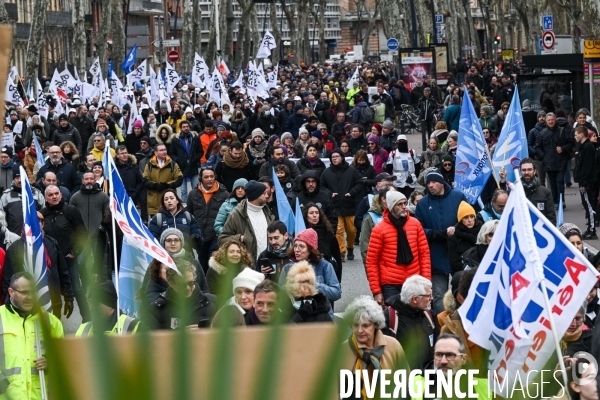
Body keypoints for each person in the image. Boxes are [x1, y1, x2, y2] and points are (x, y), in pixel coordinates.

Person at [0, 272, 64, 399]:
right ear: (11, 292)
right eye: (24, 292)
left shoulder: (50, 322)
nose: (30, 297)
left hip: (40, 396)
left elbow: (65, 358)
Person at [2, 211, 74, 319]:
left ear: (43, 224)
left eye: (39, 221)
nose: (35, 223)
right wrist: (10, 302)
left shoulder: (52, 243)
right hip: (26, 304)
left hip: (52, 301)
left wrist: (69, 297)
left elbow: (63, 271)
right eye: (31, 221)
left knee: (53, 333)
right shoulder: (15, 248)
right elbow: (8, 278)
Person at [415, 169, 466, 314]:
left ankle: (461, 326)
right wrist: (434, 233)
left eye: (433, 182)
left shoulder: (458, 197)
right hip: (435, 255)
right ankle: (442, 328)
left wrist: (457, 228)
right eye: (428, 183)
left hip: (458, 254)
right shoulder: (423, 204)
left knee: (462, 293)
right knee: (438, 297)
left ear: (442, 183)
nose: (430, 185)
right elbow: (418, 228)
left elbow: (469, 219)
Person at [366, 191, 431, 303]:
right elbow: (371, 261)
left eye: (405, 203)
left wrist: (426, 283)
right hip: (391, 284)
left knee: (414, 318)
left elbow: (424, 254)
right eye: (399, 204)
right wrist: (376, 291)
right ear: (391, 207)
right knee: (393, 318)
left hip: (414, 282)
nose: (404, 207)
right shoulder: (379, 229)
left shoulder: (415, 224)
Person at [40, 184, 90, 321]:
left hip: (68, 259)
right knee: (52, 292)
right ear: (45, 198)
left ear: (61, 195)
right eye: (50, 195)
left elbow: (83, 234)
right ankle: (54, 323)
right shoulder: (42, 214)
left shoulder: (71, 211)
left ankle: (88, 319)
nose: (54, 196)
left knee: (77, 289)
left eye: (56, 193)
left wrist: (75, 252)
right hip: (50, 262)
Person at [342, 296, 407, 398]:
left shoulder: (393, 345)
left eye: (365, 326)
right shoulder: (343, 349)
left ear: (376, 324)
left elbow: (406, 382)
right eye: (355, 325)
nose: (359, 330)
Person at [279, 228, 341, 313]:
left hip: (320, 318)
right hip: (295, 318)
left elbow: (336, 293)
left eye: (301, 246)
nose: (297, 249)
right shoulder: (287, 268)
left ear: (311, 250)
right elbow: (279, 296)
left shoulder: (325, 266)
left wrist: (314, 285)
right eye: (295, 245)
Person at [382, 275, 436, 371]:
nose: (432, 298)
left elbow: (438, 342)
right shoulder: (389, 319)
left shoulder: (429, 314)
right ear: (415, 299)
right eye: (429, 295)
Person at [412, 333, 490, 400]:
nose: (443, 361)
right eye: (439, 355)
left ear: (464, 359)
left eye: (450, 355)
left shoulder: (484, 387)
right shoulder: (414, 385)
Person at [144, 261, 217, 329]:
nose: (187, 288)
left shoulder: (214, 302)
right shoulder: (155, 310)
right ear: (171, 283)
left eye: (191, 283)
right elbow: (153, 341)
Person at [320, 148, 363, 261]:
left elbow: (359, 183)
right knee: (338, 230)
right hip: (334, 206)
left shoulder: (352, 171)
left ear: (342, 157)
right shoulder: (326, 172)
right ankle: (341, 252)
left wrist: (351, 193)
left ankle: (350, 247)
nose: (334, 159)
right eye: (332, 157)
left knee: (351, 230)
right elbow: (322, 186)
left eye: (337, 156)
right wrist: (330, 193)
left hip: (349, 205)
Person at [219, 180, 274, 262]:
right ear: (256, 196)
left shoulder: (267, 211)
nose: (267, 195)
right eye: (264, 193)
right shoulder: (236, 215)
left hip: (266, 264)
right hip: (247, 266)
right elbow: (222, 239)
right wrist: (240, 238)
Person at [185, 166, 229, 271]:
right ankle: (203, 285)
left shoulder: (224, 194)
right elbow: (188, 214)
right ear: (201, 178)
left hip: (215, 235)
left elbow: (228, 216)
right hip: (199, 236)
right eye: (206, 177)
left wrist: (222, 231)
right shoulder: (193, 194)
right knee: (202, 262)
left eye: (211, 176)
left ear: (215, 177)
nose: (209, 179)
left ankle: (211, 285)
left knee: (213, 262)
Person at [535, 112, 575, 206]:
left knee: (560, 182)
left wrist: (563, 148)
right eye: (548, 120)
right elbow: (538, 147)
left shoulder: (562, 131)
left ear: (555, 120)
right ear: (546, 121)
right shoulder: (542, 133)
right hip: (549, 163)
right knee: (552, 184)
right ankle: (554, 201)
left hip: (561, 161)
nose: (550, 122)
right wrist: (543, 156)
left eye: (552, 120)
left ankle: (561, 201)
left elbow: (570, 144)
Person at [76, 281, 142, 336]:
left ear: (110, 306)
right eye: (90, 303)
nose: (90, 308)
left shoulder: (133, 328)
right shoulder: (83, 330)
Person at [303, 202, 343, 282]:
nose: (314, 215)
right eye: (311, 213)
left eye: (317, 213)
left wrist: (338, 281)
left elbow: (337, 258)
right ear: (305, 216)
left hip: (326, 273)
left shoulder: (328, 234)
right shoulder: (301, 232)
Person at [207, 238, 254, 304]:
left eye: (238, 252)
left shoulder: (245, 270)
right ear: (224, 253)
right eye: (231, 252)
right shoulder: (214, 270)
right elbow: (211, 294)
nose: (235, 254)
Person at [142, 143, 184, 217]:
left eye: (165, 149)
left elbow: (179, 179)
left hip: (170, 203)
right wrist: (156, 185)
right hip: (154, 203)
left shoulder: (173, 164)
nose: (164, 152)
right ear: (155, 153)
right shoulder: (149, 165)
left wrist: (167, 185)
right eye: (161, 150)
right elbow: (145, 180)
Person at [0, 166, 45, 234]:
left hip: (34, 237)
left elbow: (44, 213)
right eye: (17, 178)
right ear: (13, 180)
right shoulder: (6, 196)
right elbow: (2, 218)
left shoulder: (36, 194)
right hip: (14, 238)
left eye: (22, 177)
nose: (20, 180)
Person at [170, 120, 203, 204]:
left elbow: (200, 151)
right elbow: (172, 153)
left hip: (193, 166)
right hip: (181, 167)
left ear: (190, 127)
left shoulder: (195, 138)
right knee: (183, 190)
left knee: (196, 188)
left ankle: (196, 205)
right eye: (184, 127)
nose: (186, 128)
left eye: (187, 127)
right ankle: (185, 206)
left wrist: (195, 158)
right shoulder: (175, 140)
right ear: (180, 128)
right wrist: (177, 160)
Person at [574, 126, 598, 239]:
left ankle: (592, 230)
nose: (575, 137)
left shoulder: (588, 147)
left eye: (576, 134)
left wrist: (583, 182)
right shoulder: (585, 147)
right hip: (585, 181)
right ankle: (590, 228)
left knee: (589, 205)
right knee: (587, 204)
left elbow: (587, 167)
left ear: (581, 134)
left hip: (588, 182)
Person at [448, 202, 482, 273]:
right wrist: (471, 271)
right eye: (466, 217)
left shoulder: (482, 233)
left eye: (472, 217)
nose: (469, 220)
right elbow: (455, 264)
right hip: (464, 274)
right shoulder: (454, 237)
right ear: (461, 220)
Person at [520, 158, 556, 225]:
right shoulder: (514, 192)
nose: (526, 172)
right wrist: (502, 182)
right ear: (521, 172)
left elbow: (551, 218)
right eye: (524, 170)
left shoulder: (545, 192)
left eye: (529, 169)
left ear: (534, 171)